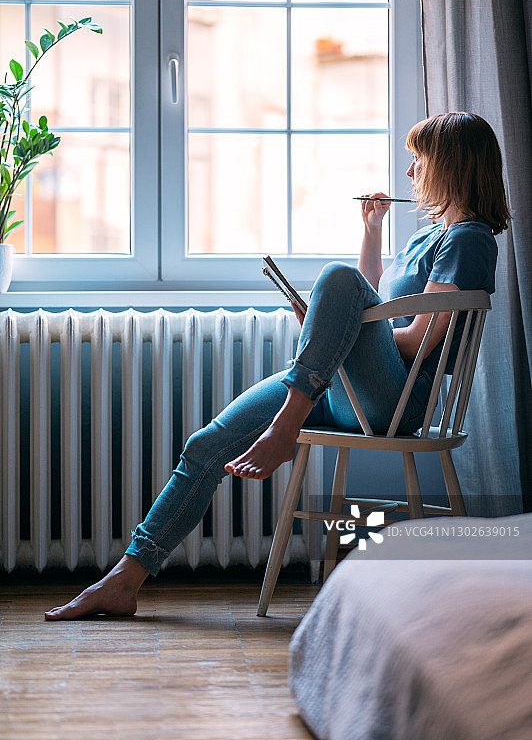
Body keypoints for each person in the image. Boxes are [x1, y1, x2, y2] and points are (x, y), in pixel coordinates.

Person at [44, 112, 510, 620]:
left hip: (396, 402)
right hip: (345, 389)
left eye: (418, 160)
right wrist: (372, 234)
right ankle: (124, 579)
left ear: (450, 164)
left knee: (335, 279)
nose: (410, 173)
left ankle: (285, 425)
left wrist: (346, 331)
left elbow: (418, 339)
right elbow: (374, 295)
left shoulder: (468, 239)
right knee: (206, 445)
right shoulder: (429, 236)